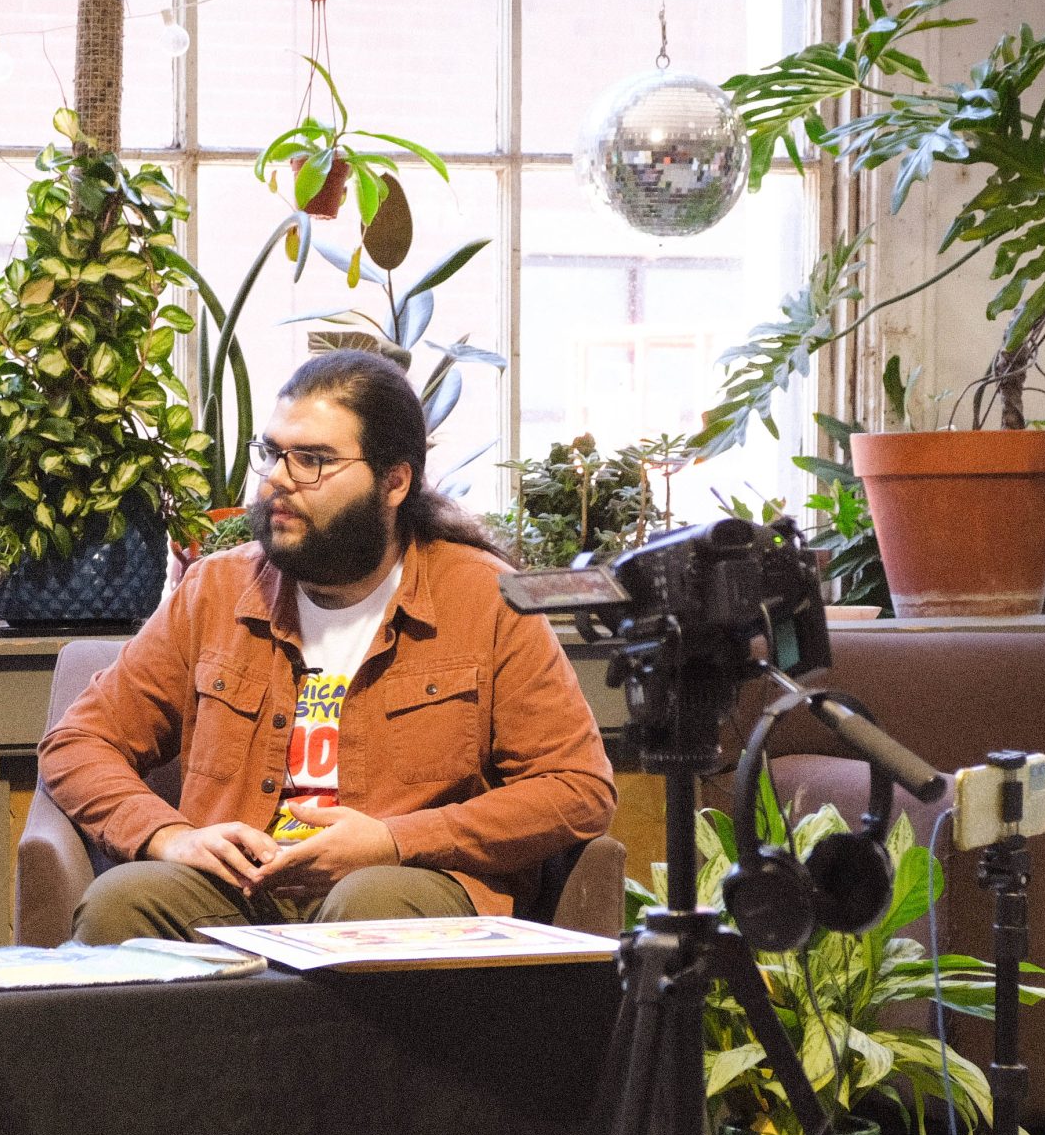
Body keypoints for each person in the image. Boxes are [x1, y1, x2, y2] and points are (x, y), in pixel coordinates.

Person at [40, 350, 616, 941]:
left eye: (313, 460)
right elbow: (79, 741)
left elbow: (578, 788)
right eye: (273, 453)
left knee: (370, 906)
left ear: (394, 481)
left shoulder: (485, 597)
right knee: (124, 901)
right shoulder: (215, 589)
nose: (279, 480)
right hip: (241, 890)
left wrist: (395, 841)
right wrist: (170, 836)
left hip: (404, 882)